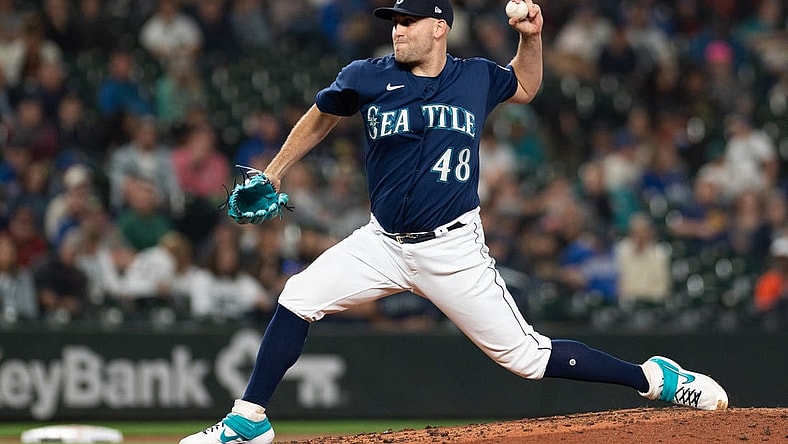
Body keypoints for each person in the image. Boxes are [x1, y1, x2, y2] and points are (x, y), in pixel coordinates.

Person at [180, 1, 728, 443]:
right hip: (382, 242)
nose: (398, 30)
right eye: (394, 21)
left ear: (439, 27)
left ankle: (656, 379)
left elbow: (528, 86)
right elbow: (323, 114)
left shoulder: (475, 79)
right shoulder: (366, 76)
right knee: (298, 295)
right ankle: (249, 418)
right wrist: (275, 172)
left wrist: (531, 38)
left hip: (453, 249)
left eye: (409, 21)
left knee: (528, 359)